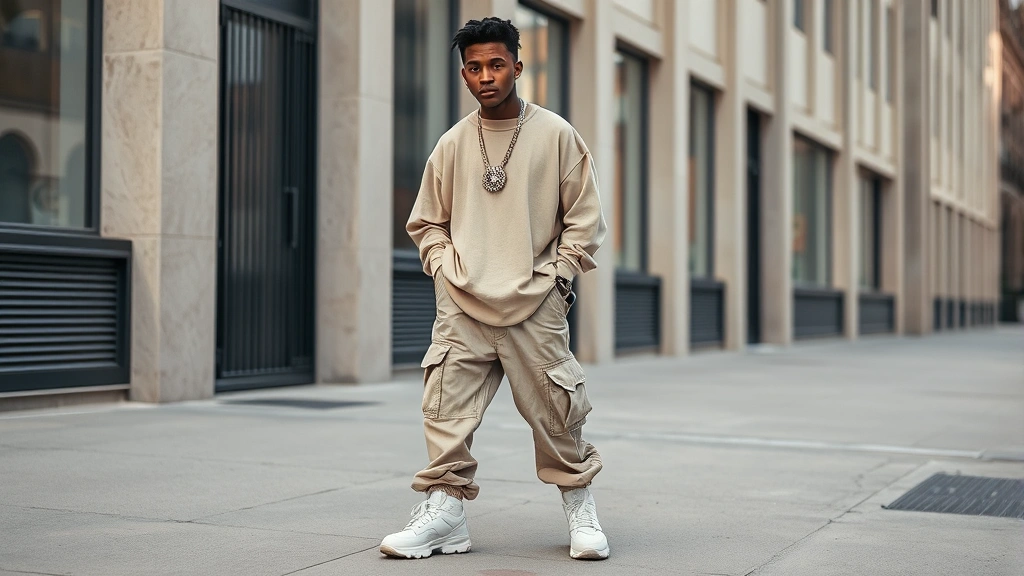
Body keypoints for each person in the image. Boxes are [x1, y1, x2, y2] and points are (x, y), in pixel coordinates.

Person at [379, 17, 609, 561]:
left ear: (518, 67)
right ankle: (444, 513)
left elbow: (585, 218)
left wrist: (558, 277)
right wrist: (442, 266)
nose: (487, 76)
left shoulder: (556, 135)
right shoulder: (452, 144)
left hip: (535, 303)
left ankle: (580, 506)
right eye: (476, 67)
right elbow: (426, 221)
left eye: (497, 64)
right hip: (462, 303)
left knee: (558, 412)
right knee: (444, 413)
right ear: (464, 75)